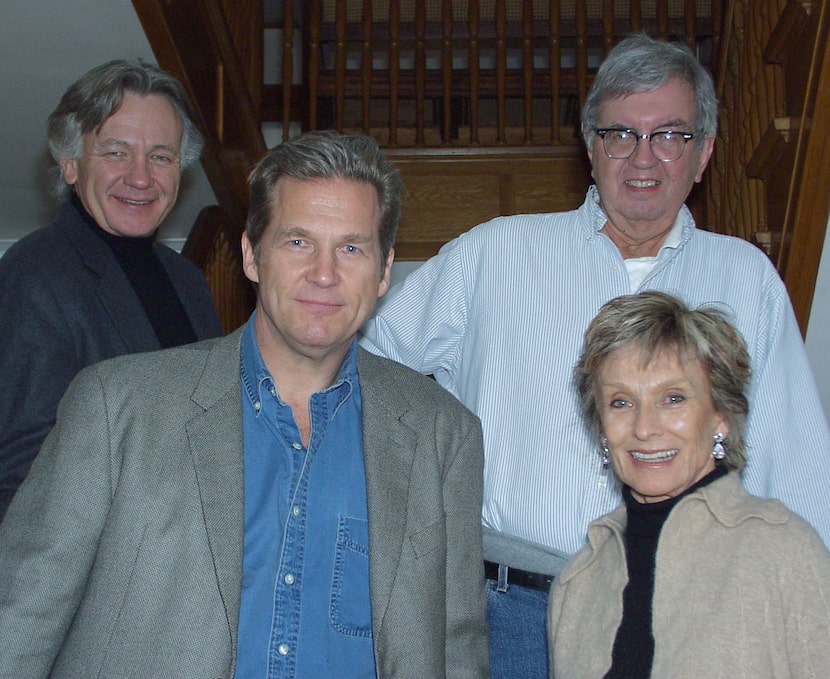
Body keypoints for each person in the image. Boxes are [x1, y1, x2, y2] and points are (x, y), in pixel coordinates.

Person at [360, 32, 830, 677]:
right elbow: (368, 371)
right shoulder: (495, 255)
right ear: (591, 147)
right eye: (620, 135)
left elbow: (794, 457)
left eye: (671, 135)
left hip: (698, 608)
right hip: (510, 612)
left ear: (705, 154)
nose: (644, 158)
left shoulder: (746, 278)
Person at [0, 131, 489, 679]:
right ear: (252, 256)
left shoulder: (444, 435)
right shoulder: (117, 409)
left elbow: (455, 649)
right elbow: (19, 620)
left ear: (383, 273)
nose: (324, 274)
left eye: (351, 248)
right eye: (298, 242)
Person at [548, 290, 830, 677]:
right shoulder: (579, 581)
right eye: (621, 402)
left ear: (721, 416)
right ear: (600, 427)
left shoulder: (783, 551)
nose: (645, 428)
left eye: (673, 398)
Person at [0, 59, 222, 519]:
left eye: (160, 156)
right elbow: (23, 474)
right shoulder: (36, 274)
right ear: (69, 164)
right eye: (116, 152)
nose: (141, 177)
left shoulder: (189, 281)